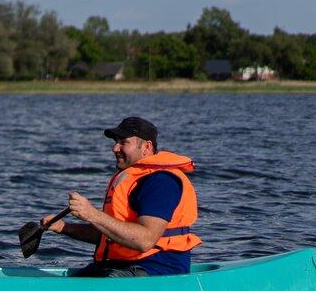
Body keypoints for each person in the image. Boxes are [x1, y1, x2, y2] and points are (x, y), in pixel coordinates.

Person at [37, 116, 200, 277]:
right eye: (115, 142)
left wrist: (92, 214)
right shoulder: (131, 178)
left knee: (98, 286)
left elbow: (145, 240)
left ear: (146, 147)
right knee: (78, 280)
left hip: (157, 268)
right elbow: (112, 234)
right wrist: (64, 227)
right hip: (122, 266)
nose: (115, 148)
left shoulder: (161, 181)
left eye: (123, 142)